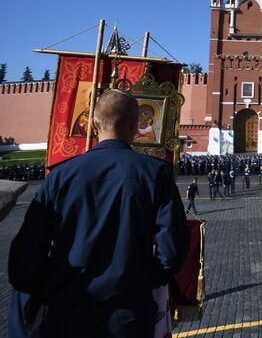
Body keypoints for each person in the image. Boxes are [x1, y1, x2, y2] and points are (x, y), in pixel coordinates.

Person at [8, 89, 189, 338]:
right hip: (130, 315)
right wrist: (147, 278)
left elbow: (27, 251)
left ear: (93, 124)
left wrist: (48, 288)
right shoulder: (155, 174)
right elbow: (173, 249)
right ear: (136, 125)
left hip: (67, 316)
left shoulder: (60, 176)